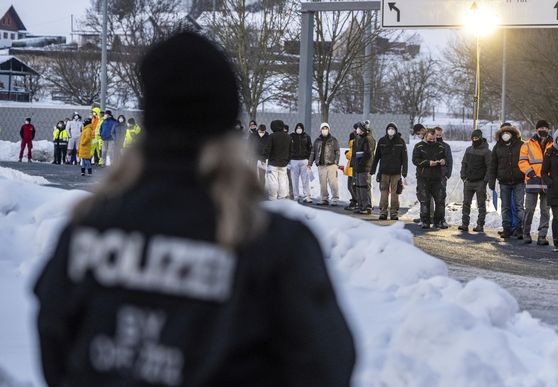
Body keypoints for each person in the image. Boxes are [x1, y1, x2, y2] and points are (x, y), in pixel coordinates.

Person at [33, 31, 355, 387]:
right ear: (226, 127)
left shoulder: (88, 228)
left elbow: (55, 352)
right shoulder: (272, 246)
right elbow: (326, 367)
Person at [487, 123, 525, 239]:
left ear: (512, 133)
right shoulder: (498, 147)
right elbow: (493, 165)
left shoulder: (521, 145)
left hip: (519, 181)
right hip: (504, 182)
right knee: (505, 207)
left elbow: (526, 162)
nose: (505, 135)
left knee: (519, 206)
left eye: (507, 132)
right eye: (503, 133)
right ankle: (506, 229)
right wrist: (491, 181)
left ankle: (520, 229)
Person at [519, 120, 554, 245]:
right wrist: (530, 173)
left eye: (545, 127)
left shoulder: (553, 145)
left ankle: (542, 236)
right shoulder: (527, 145)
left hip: (547, 182)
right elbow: (522, 162)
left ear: (548, 130)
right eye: (540, 128)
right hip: (533, 180)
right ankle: (526, 233)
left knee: (545, 210)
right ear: (536, 130)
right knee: (529, 209)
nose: (543, 129)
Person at [371, 122, 408, 220]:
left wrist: (404, 171)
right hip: (384, 172)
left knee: (395, 193)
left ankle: (394, 213)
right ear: (386, 130)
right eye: (389, 128)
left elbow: (404, 158)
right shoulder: (382, 141)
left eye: (393, 129)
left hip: (396, 172)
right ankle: (383, 212)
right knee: (384, 192)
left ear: (396, 130)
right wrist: (373, 169)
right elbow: (377, 157)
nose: (391, 130)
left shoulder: (401, 141)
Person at [412, 128, 447, 229]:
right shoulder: (419, 146)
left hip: (437, 177)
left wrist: (443, 161)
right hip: (423, 177)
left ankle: (438, 221)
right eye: (430, 139)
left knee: (440, 200)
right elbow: (415, 160)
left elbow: (445, 158)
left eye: (433, 139)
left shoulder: (440, 146)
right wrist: (428, 163)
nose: (432, 140)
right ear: (426, 136)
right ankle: (425, 221)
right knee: (425, 200)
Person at [459, 129, 491, 233]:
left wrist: (485, 180)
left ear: (480, 138)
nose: (474, 139)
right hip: (468, 181)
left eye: (476, 138)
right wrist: (463, 176)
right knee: (466, 203)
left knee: (481, 204)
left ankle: (480, 225)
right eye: (473, 138)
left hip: (480, 182)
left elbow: (489, 167)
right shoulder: (468, 150)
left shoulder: (487, 152)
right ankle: (464, 224)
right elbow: (464, 163)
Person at [309, 123, 340, 206]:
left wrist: (336, 162)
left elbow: (337, 152)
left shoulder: (333, 140)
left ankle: (335, 199)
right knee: (322, 183)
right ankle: (324, 199)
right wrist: (310, 163)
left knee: (333, 183)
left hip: (331, 165)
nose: (325, 130)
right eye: (323, 128)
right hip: (321, 165)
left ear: (329, 130)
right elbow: (313, 152)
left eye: (326, 128)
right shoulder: (317, 140)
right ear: (320, 130)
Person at [263, 120, 291, 200]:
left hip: (273, 162)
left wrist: (265, 157)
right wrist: (287, 160)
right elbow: (291, 150)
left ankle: (273, 196)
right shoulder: (288, 136)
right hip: (284, 163)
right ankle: (282, 196)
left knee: (273, 180)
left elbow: (268, 149)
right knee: (282, 180)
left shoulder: (272, 136)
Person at [352, 120, 376, 214]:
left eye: (358, 128)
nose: (357, 130)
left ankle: (367, 207)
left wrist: (361, 162)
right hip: (359, 166)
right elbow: (356, 153)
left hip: (365, 167)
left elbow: (368, 154)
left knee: (365, 187)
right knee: (358, 187)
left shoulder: (368, 139)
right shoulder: (359, 138)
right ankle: (361, 206)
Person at [289, 122, 313, 203]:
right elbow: (288, 148)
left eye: (300, 128)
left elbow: (310, 149)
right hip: (294, 160)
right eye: (297, 128)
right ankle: (296, 196)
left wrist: (309, 160)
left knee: (305, 179)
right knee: (294, 179)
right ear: (295, 128)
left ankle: (307, 196)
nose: (299, 129)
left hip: (304, 160)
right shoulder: (291, 136)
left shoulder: (306, 137)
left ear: (303, 129)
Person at [434, 127, 452, 228]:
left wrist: (447, 174)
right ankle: (429, 218)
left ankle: (441, 219)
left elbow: (450, 160)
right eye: (437, 135)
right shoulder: (429, 145)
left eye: (440, 135)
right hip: (431, 176)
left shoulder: (446, 146)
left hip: (441, 176)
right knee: (429, 199)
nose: (438, 137)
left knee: (441, 199)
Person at [252, 124, 270, 188]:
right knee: (253, 174)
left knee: (262, 175)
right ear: (258, 129)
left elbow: (269, 148)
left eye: (263, 132)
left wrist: (266, 156)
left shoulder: (268, 136)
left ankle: (261, 188)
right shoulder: (253, 135)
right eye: (260, 132)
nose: (261, 133)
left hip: (263, 158)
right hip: (254, 157)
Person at [344, 126, 357, 211]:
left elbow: (352, 154)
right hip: (351, 168)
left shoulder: (355, 142)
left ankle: (355, 201)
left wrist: (347, 154)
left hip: (353, 168)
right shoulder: (353, 142)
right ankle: (355, 200)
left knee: (351, 186)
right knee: (352, 186)